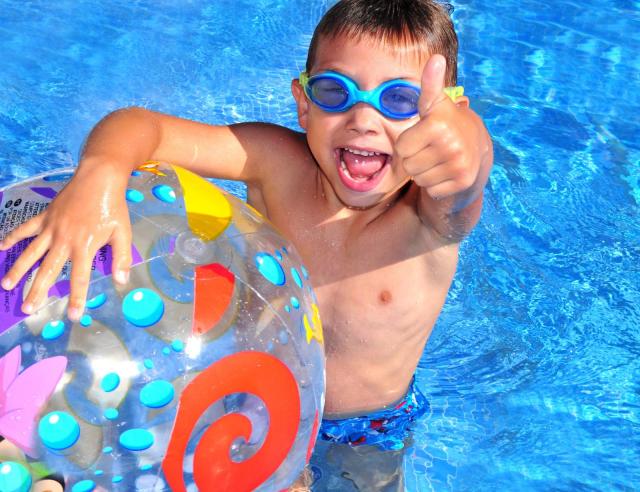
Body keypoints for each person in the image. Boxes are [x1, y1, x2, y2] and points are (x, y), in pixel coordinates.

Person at [0, 0, 492, 489]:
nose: (363, 118)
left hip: (362, 436)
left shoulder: (429, 220)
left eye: (401, 100)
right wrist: (101, 174)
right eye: (334, 91)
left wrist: (465, 146)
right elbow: (141, 127)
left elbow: (466, 183)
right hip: (245, 401)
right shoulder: (274, 163)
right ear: (303, 102)